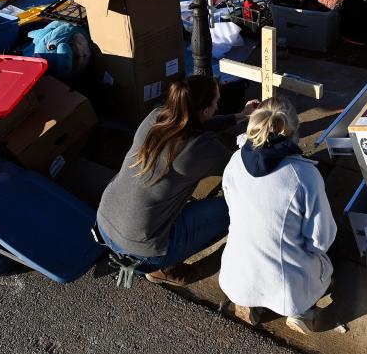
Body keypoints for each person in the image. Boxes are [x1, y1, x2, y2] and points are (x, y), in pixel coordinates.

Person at [97, 77, 259, 288]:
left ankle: (161, 249)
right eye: (216, 103)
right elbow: (247, 170)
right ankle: (163, 268)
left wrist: (240, 116)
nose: (218, 105)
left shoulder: (156, 117)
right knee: (239, 208)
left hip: (105, 222)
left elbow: (194, 123)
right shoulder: (200, 148)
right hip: (142, 250)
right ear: (205, 111)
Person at [219, 97, 337, 335]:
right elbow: (321, 240)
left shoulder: (234, 162)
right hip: (287, 291)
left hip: (234, 278)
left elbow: (232, 209)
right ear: (294, 130)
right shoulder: (305, 175)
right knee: (331, 257)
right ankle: (301, 312)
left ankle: (247, 301)